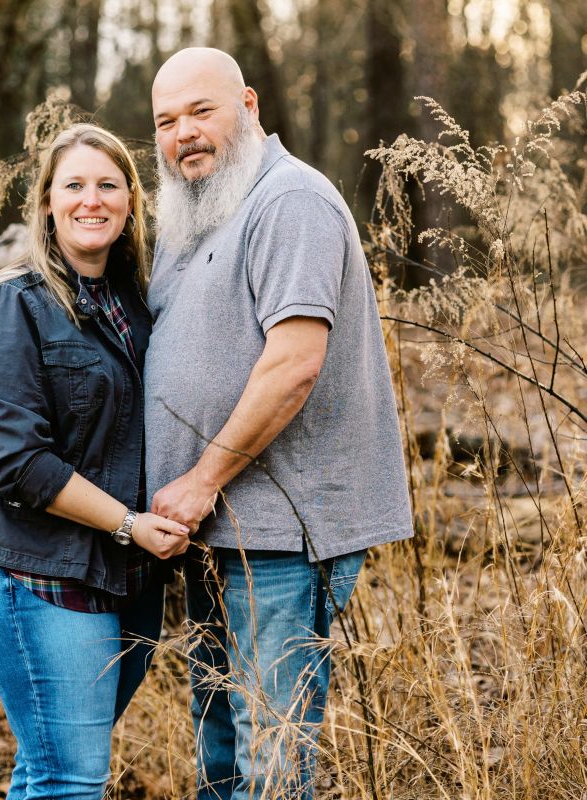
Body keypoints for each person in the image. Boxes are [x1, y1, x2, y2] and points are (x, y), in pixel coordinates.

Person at [145, 48, 414, 799]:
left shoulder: (290, 200)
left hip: (281, 534)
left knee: (271, 755)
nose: (183, 134)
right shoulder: (197, 212)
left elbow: (294, 364)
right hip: (211, 528)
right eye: (165, 121)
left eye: (201, 111)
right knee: (220, 748)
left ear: (250, 104)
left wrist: (200, 481)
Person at [0, 123, 191, 800]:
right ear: (47, 201)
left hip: (127, 577)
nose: (92, 199)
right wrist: (129, 525)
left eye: (108, 185)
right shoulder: (11, 301)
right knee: (70, 779)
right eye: (74, 185)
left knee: (48, 770)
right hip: (34, 568)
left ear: (132, 201)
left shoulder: (139, 305)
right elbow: (15, 462)